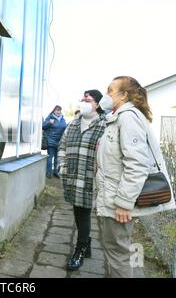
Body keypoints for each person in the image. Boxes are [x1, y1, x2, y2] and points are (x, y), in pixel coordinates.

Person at [96, 76, 176, 278]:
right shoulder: (118, 118)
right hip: (112, 198)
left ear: (124, 95)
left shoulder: (128, 117)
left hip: (117, 203)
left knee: (118, 254)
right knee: (115, 251)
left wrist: (124, 202)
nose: (106, 95)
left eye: (110, 90)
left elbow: (137, 164)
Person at [58, 90, 106, 271]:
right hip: (71, 176)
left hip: (90, 179)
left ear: (98, 104)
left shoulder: (104, 125)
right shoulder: (73, 124)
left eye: (88, 99)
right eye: (82, 99)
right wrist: (62, 167)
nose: (84, 102)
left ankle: (80, 249)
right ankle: (87, 243)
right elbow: (62, 145)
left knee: (84, 213)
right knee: (77, 211)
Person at [42, 105, 67, 179]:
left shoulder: (62, 119)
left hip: (59, 141)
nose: (58, 112)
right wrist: (49, 123)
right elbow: (43, 126)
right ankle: (49, 173)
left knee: (57, 158)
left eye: (59, 110)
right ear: (54, 111)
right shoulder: (50, 117)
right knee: (50, 157)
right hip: (51, 141)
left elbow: (65, 128)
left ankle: (56, 172)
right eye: (57, 110)